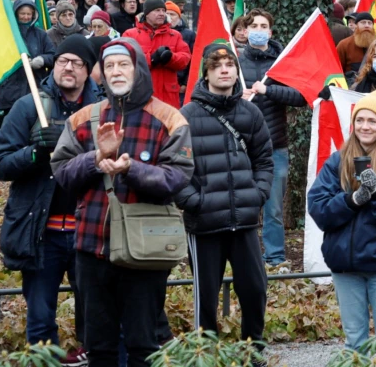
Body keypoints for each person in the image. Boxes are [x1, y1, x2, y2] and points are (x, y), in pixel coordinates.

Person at [51, 38, 194, 367]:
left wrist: (132, 169)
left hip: (145, 251)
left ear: (138, 68)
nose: (116, 71)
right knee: (98, 347)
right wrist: (95, 158)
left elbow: (178, 176)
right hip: (92, 249)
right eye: (110, 66)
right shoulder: (84, 118)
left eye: (123, 64)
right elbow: (62, 173)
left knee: (143, 345)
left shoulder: (169, 119)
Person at [0, 36, 99, 362]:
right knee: (41, 319)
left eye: (77, 63)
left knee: (96, 317)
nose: (68, 68)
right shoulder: (28, 107)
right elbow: (2, 163)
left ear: (88, 70)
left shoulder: (102, 109)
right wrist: (35, 154)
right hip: (42, 234)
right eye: (62, 61)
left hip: (90, 232)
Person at [176, 43, 273, 347]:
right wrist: (195, 202)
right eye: (216, 65)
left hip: (243, 220)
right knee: (206, 297)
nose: (224, 70)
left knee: (255, 289)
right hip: (204, 223)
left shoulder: (250, 112)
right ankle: (206, 353)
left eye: (230, 64)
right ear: (205, 72)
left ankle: (253, 349)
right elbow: (176, 168)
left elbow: (264, 160)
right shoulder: (187, 115)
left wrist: (258, 194)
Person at [307, 90, 376, 349]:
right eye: (360, 120)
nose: (365, 126)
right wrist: (350, 201)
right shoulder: (336, 162)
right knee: (355, 343)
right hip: (346, 266)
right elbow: (319, 209)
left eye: (372, 121)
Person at [236, 8, 307, 269]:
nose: (258, 30)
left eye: (263, 26)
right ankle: (243, 257)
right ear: (245, 31)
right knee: (242, 205)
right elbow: (214, 94)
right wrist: (235, 97)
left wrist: (269, 90)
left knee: (273, 207)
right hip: (241, 146)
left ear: (270, 32)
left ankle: (275, 257)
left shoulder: (282, 63)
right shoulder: (234, 61)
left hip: (275, 146)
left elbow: (300, 96)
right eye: (254, 26)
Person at [122, 0, 191, 109]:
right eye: (157, 10)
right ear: (147, 13)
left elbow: (185, 59)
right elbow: (125, 61)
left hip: (168, 98)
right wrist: (151, 59)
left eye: (163, 11)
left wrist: (171, 58)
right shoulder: (130, 35)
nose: (162, 14)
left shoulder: (175, 35)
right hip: (141, 96)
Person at [1, 0, 56, 124]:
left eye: (29, 14)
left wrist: (41, 60)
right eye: (22, 14)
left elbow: (53, 55)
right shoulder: (8, 35)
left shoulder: (40, 35)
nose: (26, 17)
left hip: (34, 88)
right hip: (10, 92)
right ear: (16, 14)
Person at [336, 11, 376, 76]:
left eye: (369, 23)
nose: (367, 26)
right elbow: (336, 70)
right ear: (356, 25)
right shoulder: (344, 45)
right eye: (363, 22)